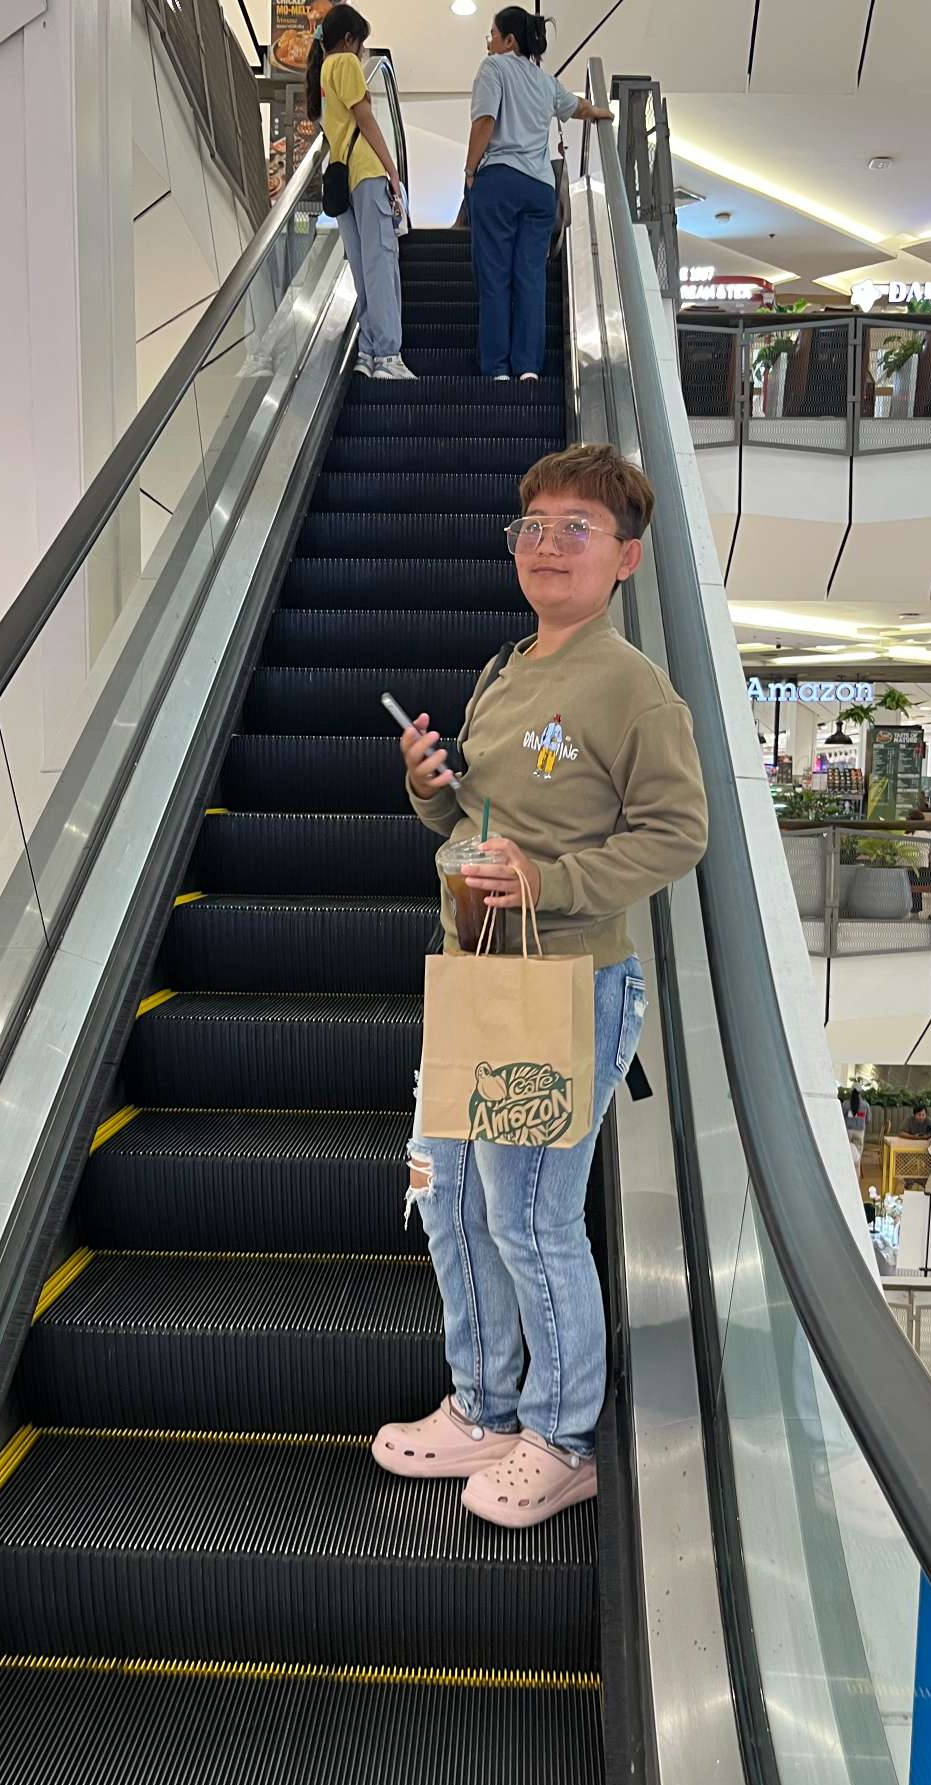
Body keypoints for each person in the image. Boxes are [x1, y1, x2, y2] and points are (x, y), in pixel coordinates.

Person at [376, 443, 708, 1526]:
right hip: (475, 975)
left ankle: (562, 1440)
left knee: (529, 1219)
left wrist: (552, 881)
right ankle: (482, 1407)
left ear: (626, 558)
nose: (548, 546)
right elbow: (477, 819)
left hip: (565, 986)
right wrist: (430, 788)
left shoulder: (634, 689)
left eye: (577, 529)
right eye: (533, 527)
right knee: (448, 1201)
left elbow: (678, 832)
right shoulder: (505, 669)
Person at [463, 10, 612, 382]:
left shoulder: (493, 67)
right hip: (540, 190)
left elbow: (485, 122)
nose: (489, 41)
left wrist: (469, 170)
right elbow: (577, 106)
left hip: (500, 181)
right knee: (530, 277)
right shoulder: (546, 82)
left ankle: (497, 368)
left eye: (492, 34)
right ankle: (528, 366)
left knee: (495, 275)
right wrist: (600, 111)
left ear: (509, 39)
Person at [307, 6, 414, 381]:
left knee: (362, 269)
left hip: (342, 180)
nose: (363, 50)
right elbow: (365, 119)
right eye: (361, 43)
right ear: (349, 39)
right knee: (381, 263)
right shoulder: (346, 64)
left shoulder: (322, 71)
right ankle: (388, 355)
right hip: (366, 173)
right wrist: (392, 170)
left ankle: (367, 352)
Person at [842, 1083, 868, 1175]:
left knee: (846, 1153)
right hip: (860, 1132)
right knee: (858, 1157)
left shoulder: (845, 1104)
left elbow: (840, 1116)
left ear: (850, 1092)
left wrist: (851, 1116)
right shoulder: (865, 1105)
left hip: (847, 1131)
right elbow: (868, 1119)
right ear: (860, 1092)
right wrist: (859, 1116)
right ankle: (856, 1177)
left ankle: (846, 1173)